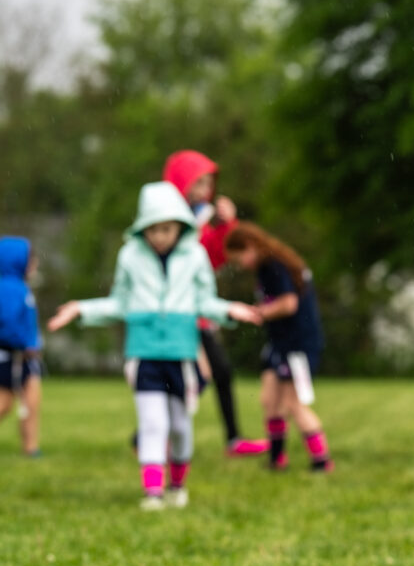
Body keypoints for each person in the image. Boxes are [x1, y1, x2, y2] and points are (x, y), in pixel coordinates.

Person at [48, 182, 261, 510]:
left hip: (181, 355)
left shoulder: (195, 255)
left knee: (178, 426)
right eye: (152, 230)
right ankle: (153, 492)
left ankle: (177, 484)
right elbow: (119, 303)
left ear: (179, 226)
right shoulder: (130, 255)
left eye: (166, 229)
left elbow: (205, 300)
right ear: (142, 229)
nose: (159, 236)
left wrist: (230, 309)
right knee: (152, 423)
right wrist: (82, 309)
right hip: (144, 354)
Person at [163, 149, 268, 455]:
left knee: (218, 372)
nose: (205, 191)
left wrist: (225, 226)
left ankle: (232, 438)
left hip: (199, 311)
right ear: (181, 184)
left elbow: (213, 259)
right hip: (178, 313)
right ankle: (150, 435)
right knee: (197, 377)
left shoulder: (201, 219)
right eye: (198, 183)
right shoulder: (166, 223)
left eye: (209, 183)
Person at [223, 223, 333, 472]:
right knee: (270, 400)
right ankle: (276, 459)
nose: (240, 265)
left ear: (250, 247)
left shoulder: (274, 266)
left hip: (298, 345)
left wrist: (258, 312)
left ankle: (321, 460)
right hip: (279, 344)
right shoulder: (268, 266)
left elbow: (289, 304)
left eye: (239, 258)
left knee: (294, 403)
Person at [0, 236, 43, 458]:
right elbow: (7, 323)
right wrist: (25, 344)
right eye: (31, 260)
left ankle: (31, 447)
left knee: (32, 401)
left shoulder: (20, 287)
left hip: (25, 357)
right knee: (4, 403)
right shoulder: (9, 289)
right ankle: (30, 446)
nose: (35, 264)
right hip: (12, 355)